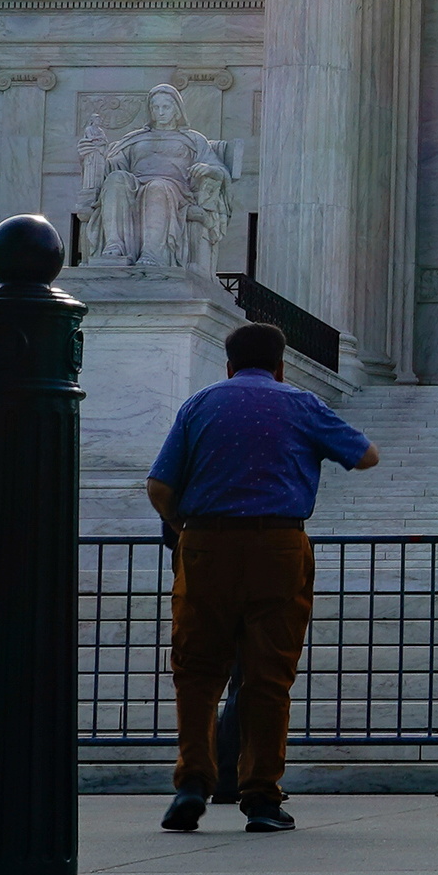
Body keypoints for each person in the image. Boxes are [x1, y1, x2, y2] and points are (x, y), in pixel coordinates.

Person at [144, 321, 378, 833]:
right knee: (268, 677)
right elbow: (366, 456)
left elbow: (159, 486)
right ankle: (262, 799)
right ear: (281, 365)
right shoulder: (300, 403)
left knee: (197, 673)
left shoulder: (200, 405)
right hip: (278, 545)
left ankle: (191, 783)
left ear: (227, 365)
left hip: (206, 543)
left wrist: (185, 528)